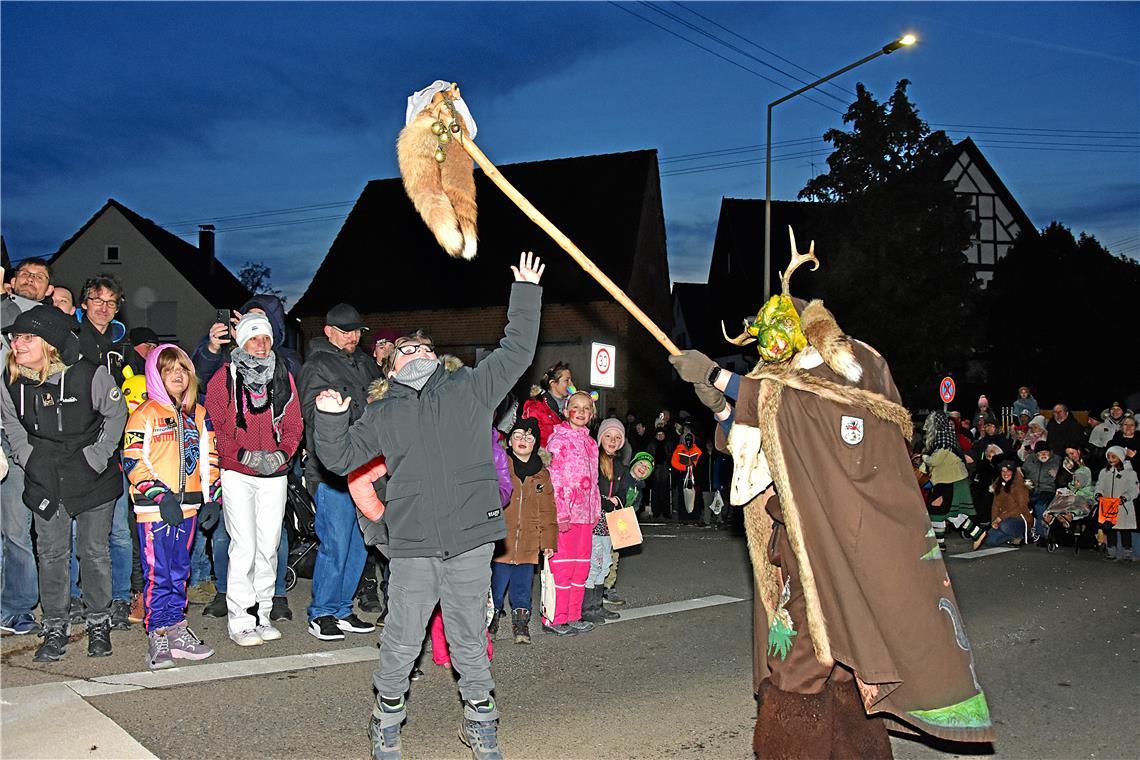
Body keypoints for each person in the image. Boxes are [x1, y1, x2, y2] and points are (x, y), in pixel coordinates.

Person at [668, 253, 992, 753]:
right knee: (837, 660)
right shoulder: (781, 381)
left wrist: (721, 379)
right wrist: (722, 407)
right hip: (797, 540)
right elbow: (755, 443)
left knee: (798, 665)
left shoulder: (850, 368)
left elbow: (805, 409)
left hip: (841, 540)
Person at [311, 252, 544, 760]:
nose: (414, 352)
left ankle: (481, 724)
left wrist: (524, 294)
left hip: (468, 542)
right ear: (392, 366)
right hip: (412, 545)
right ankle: (386, 723)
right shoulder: (381, 412)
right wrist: (329, 419)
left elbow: (517, 350)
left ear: (436, 358)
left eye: (423, 346)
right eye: (404, 349)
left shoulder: (470, 389)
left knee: (468, 639)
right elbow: (338, 457)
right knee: (401, 641)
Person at [1, 305, 127, 661]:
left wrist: (98, 456)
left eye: (27, 337)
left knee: (93, 552)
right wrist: (28, 460)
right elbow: (12, 426)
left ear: (50, 342)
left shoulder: (90, 375)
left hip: (91, 478)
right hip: (45, 479)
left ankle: (98, 621)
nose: (17, 343)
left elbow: (116, 413)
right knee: (51, 554)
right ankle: (54, 625)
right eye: (15, 337)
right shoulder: (10, 383)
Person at [192, 294, 299, 621]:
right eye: (252, 333)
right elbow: (214, 422)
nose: (260, 343)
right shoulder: (225, 371)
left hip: (274, 471)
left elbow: (294, 421)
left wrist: (282, 454)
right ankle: (237, 609)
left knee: (270, 544)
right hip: (236, 469)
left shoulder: (285, 367)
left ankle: (267, 607)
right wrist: (242, 455)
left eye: (265, 333)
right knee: (237, 543)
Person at [123, 344, 220, 668]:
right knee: (158, 574)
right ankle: (158, 633)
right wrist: (161, 496)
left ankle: (177, 629)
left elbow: (210, 460)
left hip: (190, 509)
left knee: (180, 571)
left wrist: (213, 500)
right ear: (156, 375)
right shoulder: (144, 414)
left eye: (182, 368)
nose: (177, 374)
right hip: (156, 511)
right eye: (169, 369)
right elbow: (133, 461)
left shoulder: (199, 414)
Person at [300, 302, 382, 642]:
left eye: (356, 331)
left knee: (360, 543)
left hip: (367, 469)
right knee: (334, 542)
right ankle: (321, 613)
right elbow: (313, 416)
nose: (352, 336)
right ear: (329, 331)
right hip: (332, 472)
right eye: (345, 331)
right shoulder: (317, 365)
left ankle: (342, 608)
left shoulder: (365, 364)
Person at [74, 274, 135, 630]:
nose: (103, 308)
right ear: (85, 304)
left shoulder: (123, 345)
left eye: (111, 302)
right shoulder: (68, 340)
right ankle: (78, 596)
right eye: (97, 300)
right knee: (75, 532)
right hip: (78, 446)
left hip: (117, 447)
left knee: (118, 531)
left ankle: (120, 597)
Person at [0, 259, 55, 637]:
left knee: (16, 529)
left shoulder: (54, 327)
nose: (31, 280)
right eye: (25, 275)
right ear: (13, 280)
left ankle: (17, 607)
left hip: (20, 437)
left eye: (41, 277)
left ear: (48, 289)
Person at [492, 416, 557, 644]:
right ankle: (491, 618)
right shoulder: (500, 465)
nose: (522, 440)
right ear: (509, 441)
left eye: (528, 438)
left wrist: (548, 541)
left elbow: (548, 511)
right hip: (502, 542)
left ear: (535, 444)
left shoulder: (541, 475)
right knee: (495, 586)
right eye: (517, 436)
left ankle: (521, 623)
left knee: (522, 587)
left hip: (529, 544)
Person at [545, 390, 601, 636]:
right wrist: (561, 513)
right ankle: (556, 618)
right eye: (575, 407)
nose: (580, 412)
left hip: (586, 516)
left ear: (592, 413)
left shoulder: (590, 443)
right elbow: (554, 478)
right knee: (563, 567)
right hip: (566, 516)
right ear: (566, 411)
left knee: (581, 568)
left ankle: (574, 614)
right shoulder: (558, 441)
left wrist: (596, 509)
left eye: (586, 408)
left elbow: (595, 480)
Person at [583, 419, 643, 624]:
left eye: (618, 438)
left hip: (611, 521)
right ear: (600, 438)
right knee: (594, 562)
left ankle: (598, 604)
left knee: (606, 562)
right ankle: (587, 607)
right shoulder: (591, 460)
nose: (613, 440)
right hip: (594, 519)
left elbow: (624, 489)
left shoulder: (619, 465)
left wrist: (618, 499)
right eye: (608, 436)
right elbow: (585, 487)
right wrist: (602, 501)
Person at [921, 411, 983, 550]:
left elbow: (935, 460)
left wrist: (924, 457)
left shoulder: (944, 440)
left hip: (950, 482)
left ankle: (940, 544)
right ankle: (977, 533)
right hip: (947, 481)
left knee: (937, 511)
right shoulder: (942, 439)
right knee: (950, 513)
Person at [972, 462, 1031, 549]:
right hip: (1003, 519)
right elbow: (995, 506)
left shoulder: (1019, 486)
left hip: (1020, 518)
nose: (1005, 474)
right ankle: (1010, 537)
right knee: (989, 540)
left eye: (1008, 471)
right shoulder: (998, 485)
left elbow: (1022, 507)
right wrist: (994, 520)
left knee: (1004, 526)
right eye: (1003, 471)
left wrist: (1001, 517)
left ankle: (1020, 535)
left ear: (1013, 472)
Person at [1096, 446, 1138, 561]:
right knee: (1110, 530)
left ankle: (1127, 552)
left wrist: (1126, 497)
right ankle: (1111, 551)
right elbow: (1099, 485)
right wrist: (1098, 494)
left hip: (1123, 507)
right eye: (1108, 457)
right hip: (1108, 506)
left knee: (1125, 531)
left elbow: (1134, 489)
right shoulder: (1104, 472)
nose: (1110, 459)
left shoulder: (1130, 473)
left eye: (1113, 456)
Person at [521, 360, 572, 448]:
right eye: (567, 380)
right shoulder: (535, 407)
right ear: (552, 383)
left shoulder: (572, 406)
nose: (571, 384)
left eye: (571, 380)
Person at [1021, 440, 1061, 543]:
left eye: (1045, 452)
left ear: (1049, 452)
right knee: (1021, 502)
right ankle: (1024, 531)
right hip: (1032, 489)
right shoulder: (1031, 459)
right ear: (1036, 453)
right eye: (1040, 452)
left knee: (1039, 505)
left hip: (1048, 489)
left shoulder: (1056, 460)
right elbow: (1022, 471)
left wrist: (1057, 474)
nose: (1043, 454)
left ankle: (1042, 534)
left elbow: (1064, 474)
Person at [670, 431, 704, 525]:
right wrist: (685, 467)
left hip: (694, 477)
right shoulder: (678, 450)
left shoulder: (698, 450)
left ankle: (695, 518)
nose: (688, 441)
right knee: (682, 497)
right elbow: (673, 462)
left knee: (695, 497)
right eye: (686, 439)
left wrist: (693, 466)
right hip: (682, 477)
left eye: (690, 439)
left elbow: (701, 463)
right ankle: (683, 518)